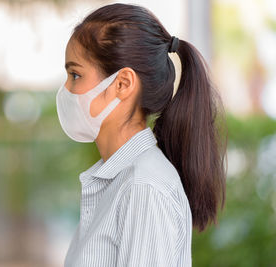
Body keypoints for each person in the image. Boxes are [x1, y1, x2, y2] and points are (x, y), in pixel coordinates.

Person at [55, 3, 227, 267]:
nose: (66, 89)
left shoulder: (143, 187)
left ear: (123, 84)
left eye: (75, 74)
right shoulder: (121, 180)